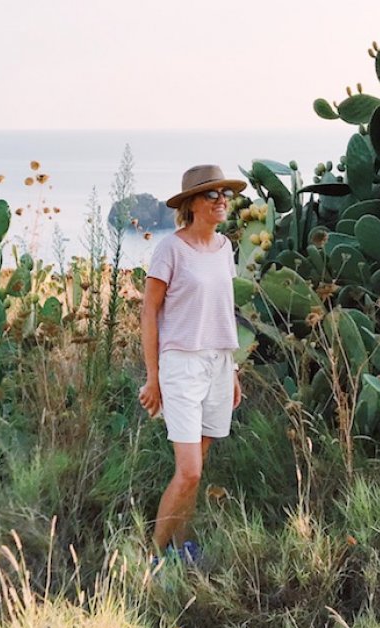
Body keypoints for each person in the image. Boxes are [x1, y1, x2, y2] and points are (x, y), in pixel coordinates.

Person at [138, 164, 245, 563]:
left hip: (218, 363)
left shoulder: (225, 248)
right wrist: (153, 377)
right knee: (190, 471)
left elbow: (223, 310)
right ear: (191, 205)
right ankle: (150, 559)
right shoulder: (171, 249)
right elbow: (149, 312)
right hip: (181, 364)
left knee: (198, 465)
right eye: (211, 195)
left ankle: (182, 547)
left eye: (225, 195)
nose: (221, 201)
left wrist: (231, 369)